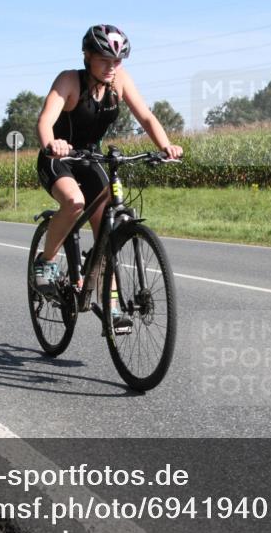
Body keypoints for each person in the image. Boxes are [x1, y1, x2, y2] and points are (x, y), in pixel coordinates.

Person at [34, 24, 183, 331]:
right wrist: (53, 143)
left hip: (91, 157)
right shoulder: (69, 80)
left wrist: (165, 145)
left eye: (117, 61)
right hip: (58, 158)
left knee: (110, 232)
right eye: (105, 60)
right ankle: (46, 263)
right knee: (74, 202)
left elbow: (146, 117)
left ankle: (112, 309)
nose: (112, 67)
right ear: (87, 56)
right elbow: (46, 119)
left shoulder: (120, 81)